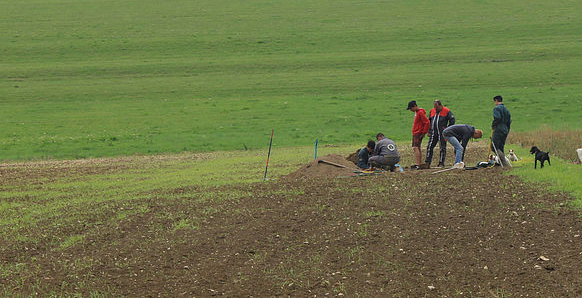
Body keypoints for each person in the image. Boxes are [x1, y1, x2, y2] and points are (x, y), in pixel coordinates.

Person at [425, 100, 455, 168]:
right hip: (433, 132)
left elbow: (452, 120)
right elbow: (429, 121)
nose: (436, 109)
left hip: (442, 133)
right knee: (430, 147)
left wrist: (448, 129)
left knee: (442, 147)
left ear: (441, 106)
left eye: (437, 107)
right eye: (435, 107)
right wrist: (429, 131)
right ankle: (427, 162)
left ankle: (441, 163)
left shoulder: (446, 111)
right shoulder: (432, 111)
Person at [407, 100, 430, 169]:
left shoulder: (420, 113)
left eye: (411, 108)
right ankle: (419, 163)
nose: (411, 110)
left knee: (415, 147)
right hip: (416, 132)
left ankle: (418, 164)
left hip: (418, 132)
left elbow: (427, 122)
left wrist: (424, 132)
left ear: (414, 106)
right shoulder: (417, 112)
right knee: (418, 147)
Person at [491, 95, 512, 167]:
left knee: (494, 147)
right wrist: (507, 130)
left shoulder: (497, 108)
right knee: (501, 147)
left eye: (494, 102)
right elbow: (509, 121)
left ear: (496, 101)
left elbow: (497, 118)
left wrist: (493, 124)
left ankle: (504, 164)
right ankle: (502, 164)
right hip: (505, 129)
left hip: (499, 129)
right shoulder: (506, 109)